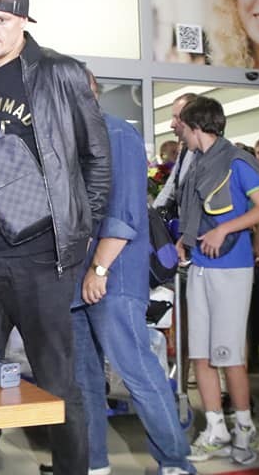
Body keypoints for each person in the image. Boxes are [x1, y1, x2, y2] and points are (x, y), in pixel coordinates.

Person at [0, 0, 111, 475]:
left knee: (57, 386)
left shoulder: (61, 73)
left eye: (0, 19)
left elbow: (97, 159)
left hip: (41, 260)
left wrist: (76, 234)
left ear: (23, 20)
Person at [72, 69, 195, 475]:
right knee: (83, 379)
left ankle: (175, 462)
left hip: (113, 274)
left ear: (89, 91)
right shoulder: (69, 138)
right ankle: (94, 463)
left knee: (136, 370)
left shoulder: (117, 134)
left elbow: (124, 212)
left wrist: (99, 268)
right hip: (73, 278)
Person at [175, 96, 259, 466]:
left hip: (231, 268)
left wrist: (225, 229)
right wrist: (185, 241)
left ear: (195, 126)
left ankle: (244, 427)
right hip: (200, 266)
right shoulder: (196, 163)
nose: (177, 130)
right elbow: (196, 213)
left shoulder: (237, 162)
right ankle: (216, 429)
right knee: (201, 354)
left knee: (228, 355)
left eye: (181, 124)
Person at [152, 92, 198, 218]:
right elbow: (169, 189)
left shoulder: (216, 155)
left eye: (177, 118)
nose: (172, 125)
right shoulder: (184, 151)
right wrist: (152, 217)